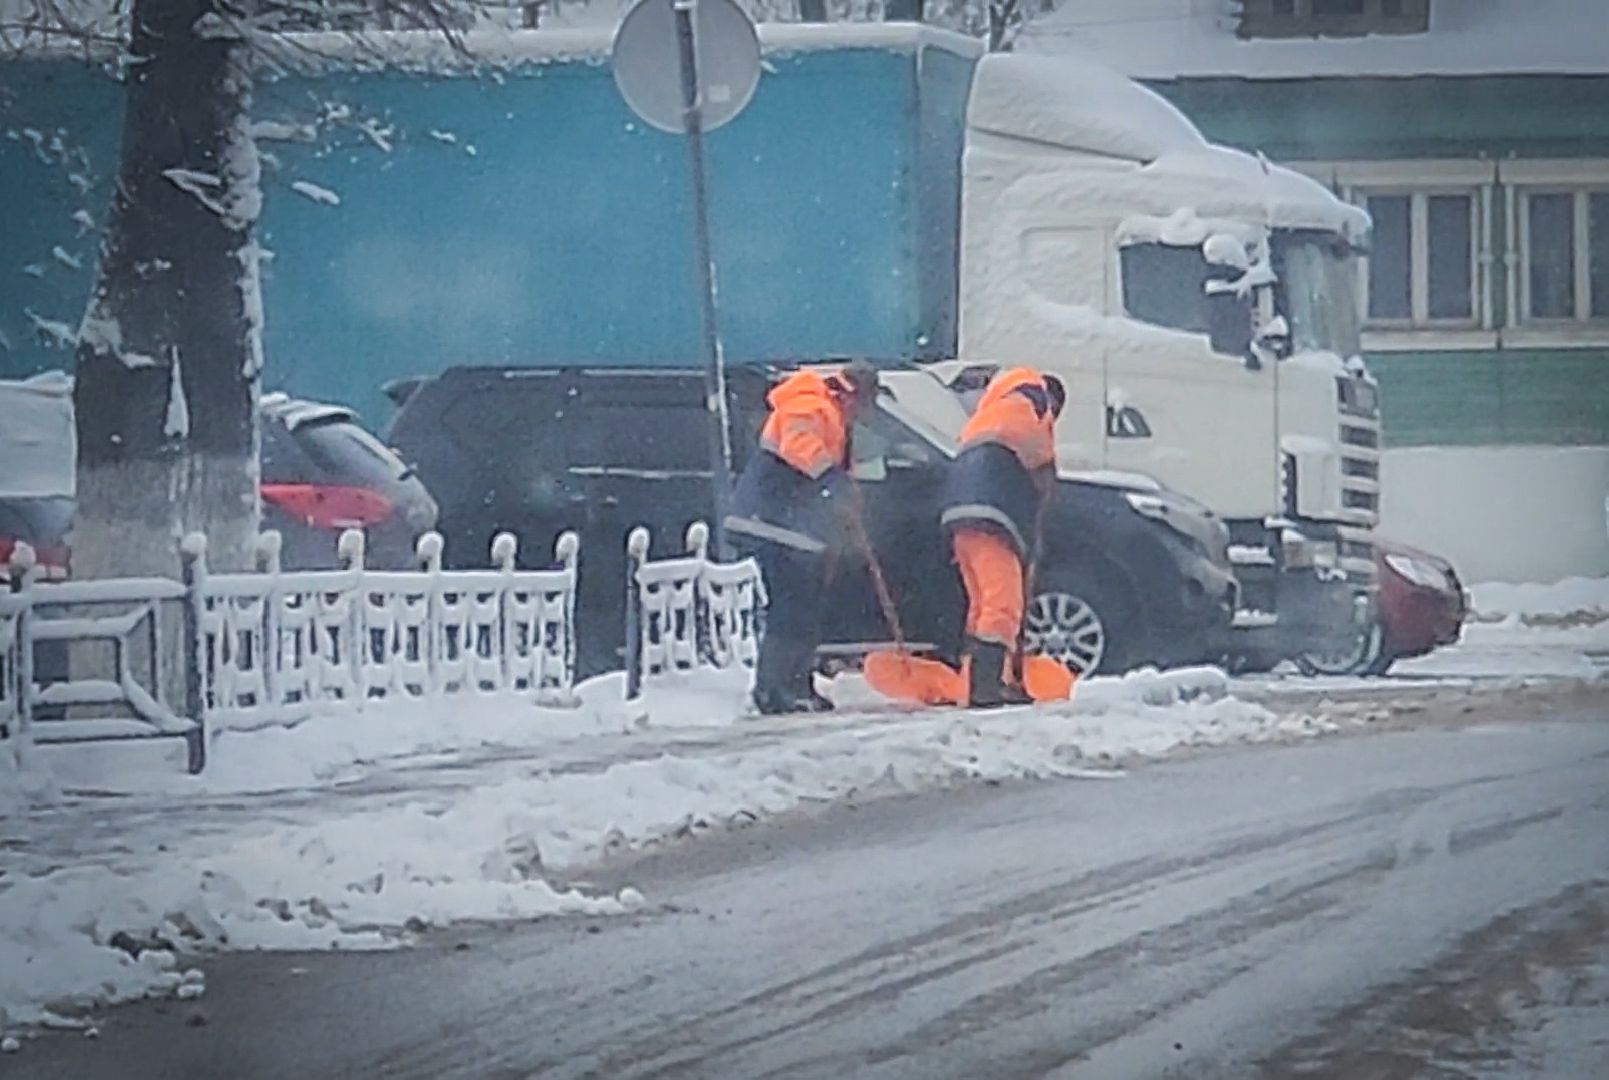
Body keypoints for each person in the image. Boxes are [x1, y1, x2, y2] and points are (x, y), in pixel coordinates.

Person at [726, 360, 880, 715]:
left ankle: (796, 685)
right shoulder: (809, 403)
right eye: (866, 404)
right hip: (772, 521)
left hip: (793, 529)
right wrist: (832, 482)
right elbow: (799, 447)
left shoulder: (833, 415)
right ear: (852, 394)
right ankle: (774, 691)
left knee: (805, 607)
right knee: (790, 607)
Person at [939, 366, 1066, 707]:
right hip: (991, 512)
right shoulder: (1031, 398)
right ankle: (985, 688)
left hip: (961, 512)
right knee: (1003, 603)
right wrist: (1046, 468)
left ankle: (978, 681)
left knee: (982, 604)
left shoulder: (990, 412)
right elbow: (1033, 447)